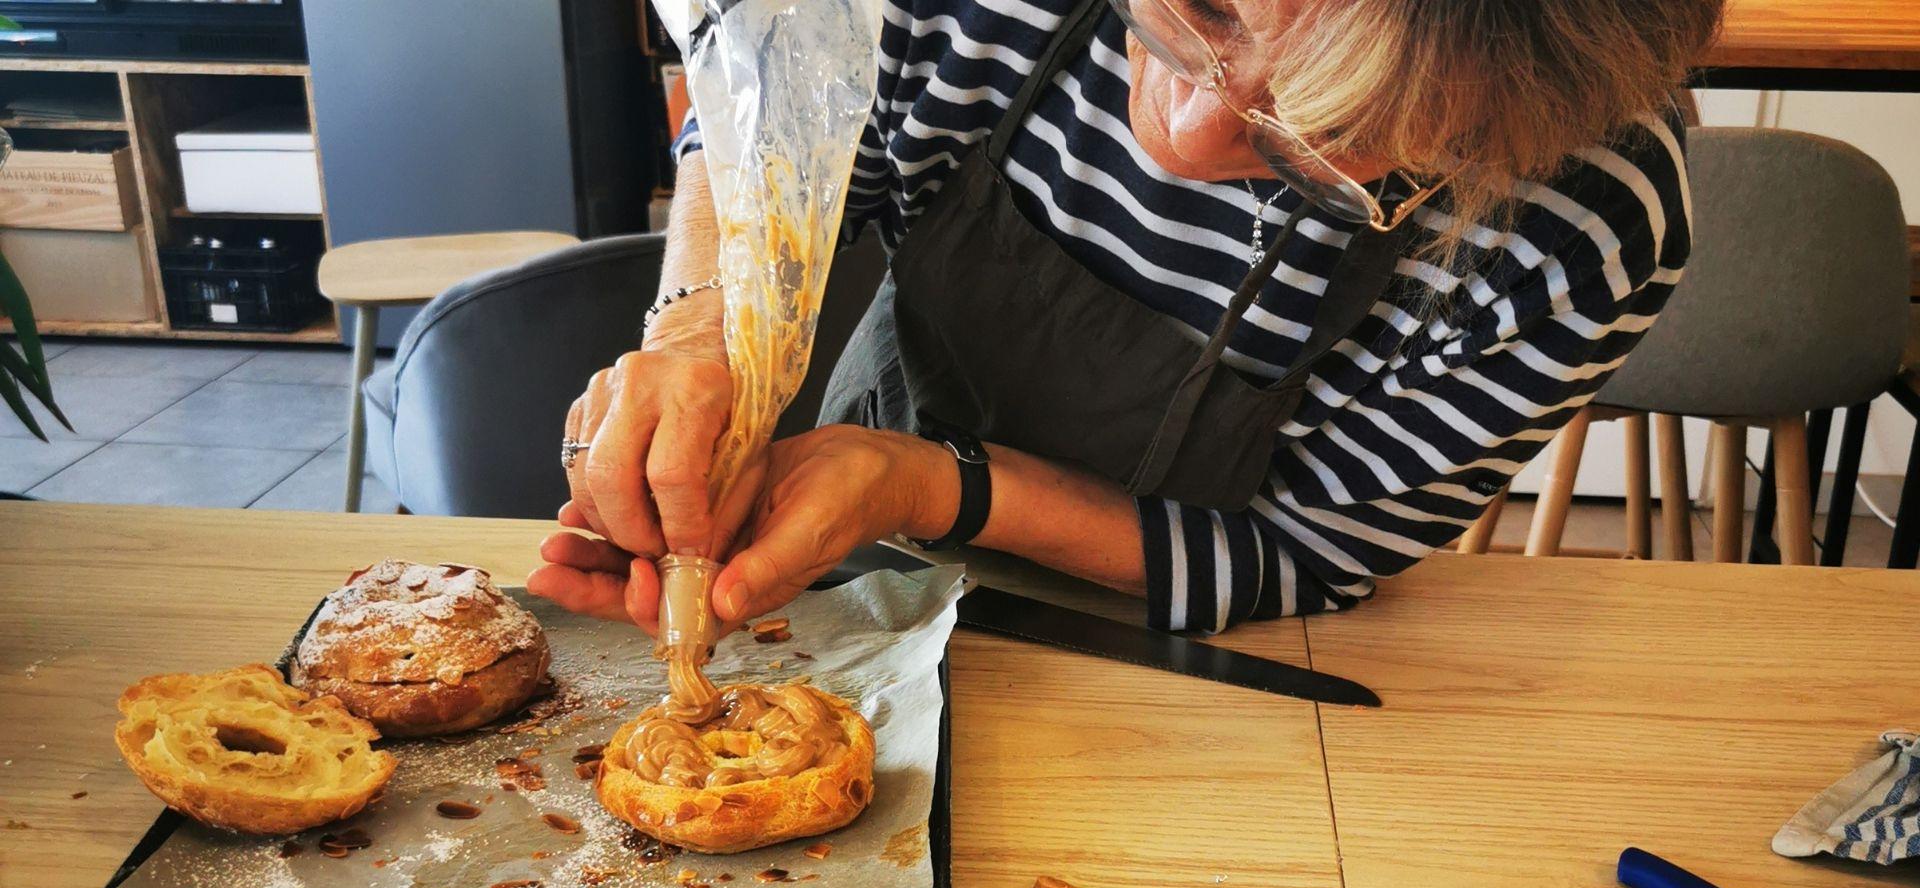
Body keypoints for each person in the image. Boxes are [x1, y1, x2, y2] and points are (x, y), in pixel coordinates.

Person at [531, 0, 1721, 635]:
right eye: (1199, 7)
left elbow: (1305, 552)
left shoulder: (1579, 221)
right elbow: (772, 90)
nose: (1186, 135)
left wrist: (925, 483)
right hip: (843, 595)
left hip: (1199, 663)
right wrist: (706, 329)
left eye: (1325, 135)